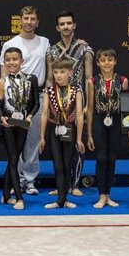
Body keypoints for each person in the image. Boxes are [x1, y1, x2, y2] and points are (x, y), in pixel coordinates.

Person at [0, 6, 50, 196]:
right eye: (26, 18)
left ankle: (29, 181)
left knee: (32, 141)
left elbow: (50, 69)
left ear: (37, 22)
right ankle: (16, 180)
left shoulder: (44, 42)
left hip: (37, 96)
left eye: (32, 18)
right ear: (19, 20)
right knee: (16, 143)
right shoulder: (10, 43)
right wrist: (4, 104)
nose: (29, 22)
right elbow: (3, 75)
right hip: (13, 99)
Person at [46, 11, 94, 198]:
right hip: (57, 103)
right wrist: (49, 104)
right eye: (62, 24)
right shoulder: (51, 51)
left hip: (77, 101)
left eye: (68, 23)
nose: (65, 26)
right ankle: (61, 185)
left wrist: (88, 104)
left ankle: (74, 184)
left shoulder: (85, 49)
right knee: (58, 146)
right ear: (57, 28)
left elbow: (89, 78)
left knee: (77, 144)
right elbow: (49, 79)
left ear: (74, 25)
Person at [38, 58, 85, 209]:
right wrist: (41, 137)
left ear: (70, 72)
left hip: (70, 128)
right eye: (56, 72)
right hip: (54, 129)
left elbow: (79, 115)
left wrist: (79, 139)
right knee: (57, 164)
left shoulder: (76, 90)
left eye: (62, 72)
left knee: (67, 164)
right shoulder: (49, 91)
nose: (58, 75)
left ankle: (64, 199)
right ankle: (60, 199)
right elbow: (44, 114)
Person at [0, 47, 38, 211]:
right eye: (8, 60)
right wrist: (2, 118)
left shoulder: (31, 79)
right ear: (4, 62)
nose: (11, 62)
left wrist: (30, 116)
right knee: (13, 158)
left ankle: (6, 195)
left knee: (14, 158)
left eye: (15, 59)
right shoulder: (2, 82)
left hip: (23, 124)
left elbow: (36, 103)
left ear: (22, 61)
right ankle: (19, 198)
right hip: (8, 124)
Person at [87, 48, 128, 209]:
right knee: (101, 158)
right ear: (97, 63)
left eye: (110, 60)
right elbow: (90, 109)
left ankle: (108, 194)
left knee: (111, 158)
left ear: (115, 61)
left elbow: (126, 108)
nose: (106, 63)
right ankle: (101, 195)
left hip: (116, 122)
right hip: (99, 120)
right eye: (103, 60)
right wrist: (89, 134)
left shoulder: (123, 80)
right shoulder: (92, 81)